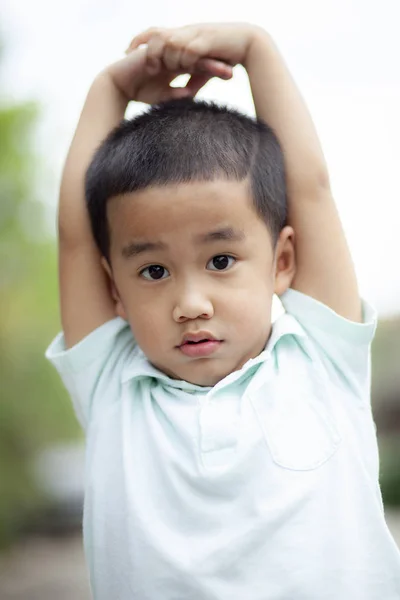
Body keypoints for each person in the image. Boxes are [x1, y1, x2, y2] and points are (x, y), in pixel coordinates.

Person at [46, 22, 400, 599]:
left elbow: (310, 188)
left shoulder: (320, 357)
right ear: (114, 289)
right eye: (154, 271)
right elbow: (76, 238)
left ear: (283, 260)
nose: (190, 304)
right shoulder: (114, 386)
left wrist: (257, 50)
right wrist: (109, 88)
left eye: (221, 260)